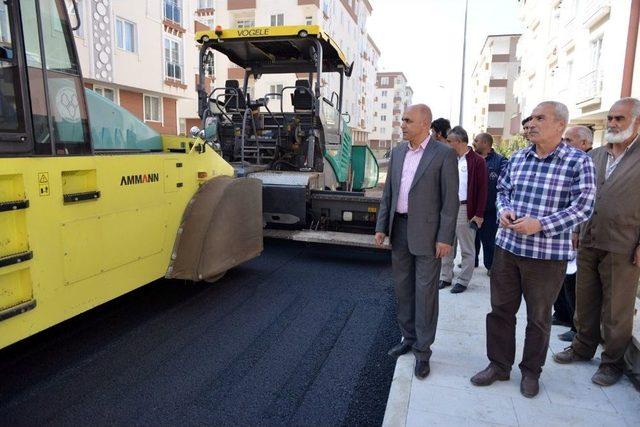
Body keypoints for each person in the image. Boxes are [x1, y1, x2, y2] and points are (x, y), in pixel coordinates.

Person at [470, 101, 596, 398]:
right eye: (532, 118)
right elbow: (503, 191)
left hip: (547, 256)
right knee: (500, 311)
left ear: (560, 125)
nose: (533, 123)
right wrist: (504, 211)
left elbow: (584, 207)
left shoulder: (578, 162)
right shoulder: (518, 158)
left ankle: (530, 372)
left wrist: (541, 224)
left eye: (541, 118)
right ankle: (499, 365)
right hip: (508, 249)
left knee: (538, 318)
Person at [553, 97, 640, 386]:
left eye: (620, 119)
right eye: (611, 118)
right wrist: (576, 228)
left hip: (624, 244)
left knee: (616, 309)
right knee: (585, 301)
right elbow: (582, 197)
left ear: (636, 122)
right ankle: (582, 347)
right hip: (588, 239)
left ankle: (612, 364)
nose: (613, 123)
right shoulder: (596, 156)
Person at [375, 104, 459, 379]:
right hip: (398, 229)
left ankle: (423, 352)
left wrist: (445, 238)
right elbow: (389, 192)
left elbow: (450, 201)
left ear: (425, 124)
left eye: (408, 120)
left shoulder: (444, 154)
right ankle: (407, 339)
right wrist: (381, 227)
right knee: (402, 290)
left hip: (428, 236)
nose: (402, 124)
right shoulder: (399, 152)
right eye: (402, 120)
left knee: (425, 295)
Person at [553, 125, 594, 342]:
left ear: (585, 144)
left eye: (569, 140)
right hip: (566, 233)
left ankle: (576, 326)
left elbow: (583, 205)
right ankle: (564, 315)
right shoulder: (566, 164)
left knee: (575, 282)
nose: (565, 144)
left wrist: (577, 229)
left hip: (584, 235)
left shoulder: (587, 164)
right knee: (565, 280)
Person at [439, 126, 488, 293]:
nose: (447, 144)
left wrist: (479, 214)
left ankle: (463, 280)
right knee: (446, 243)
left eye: (449, 141)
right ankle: (445, 277)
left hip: (465, 208)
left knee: (467, 248)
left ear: (459, 142)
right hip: (447, 207)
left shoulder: (477, 161)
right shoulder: (448, 159)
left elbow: (483, 190)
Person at [473, 132, 507, 274]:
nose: (474, 143)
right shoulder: (471, 159)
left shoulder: (500, 161)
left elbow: (504, 185)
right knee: (471, 239)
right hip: (473, 209)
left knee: (489, 240)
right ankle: (471, 262)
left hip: (490, 209)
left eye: (476, 140)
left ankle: (490, 266)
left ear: (485, 143)